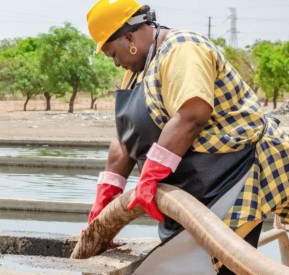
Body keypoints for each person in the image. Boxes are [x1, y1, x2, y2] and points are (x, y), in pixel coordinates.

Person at [86, 0, 289, 274]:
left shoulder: (183, 49)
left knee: (228, 263)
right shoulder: (136, 73)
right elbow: (124, 142)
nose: (116, 62)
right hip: (198, 184)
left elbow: (191, 115)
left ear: (129, 37)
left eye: (112, 53)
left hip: (237, 169)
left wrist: (150, 176)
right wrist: (106, 199)